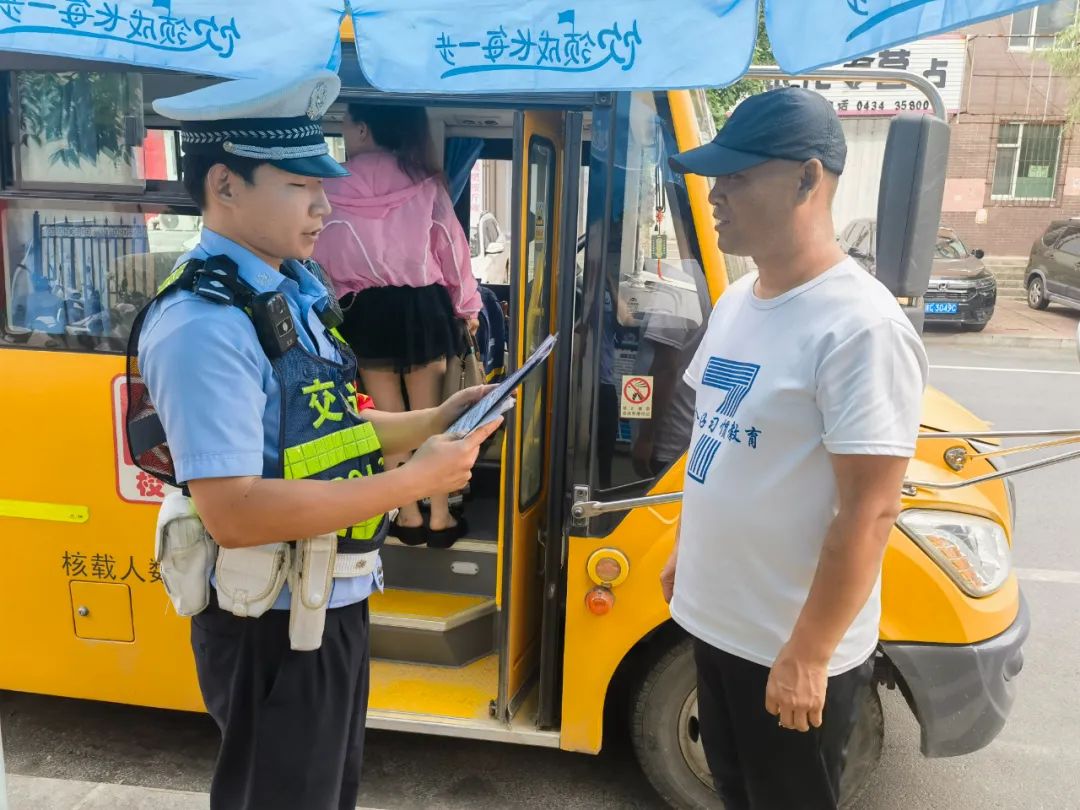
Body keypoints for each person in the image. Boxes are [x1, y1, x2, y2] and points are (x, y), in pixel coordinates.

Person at [132, 70, 500, 810]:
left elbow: (329, 428)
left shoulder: (289, 291)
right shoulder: (204, 322)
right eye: (302, 184)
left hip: (328, 598)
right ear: (226, 186)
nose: (325, 205)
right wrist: (413, 482)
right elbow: (232, 512)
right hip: (270, 620)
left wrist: (433, 421)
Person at [662, 87, 928, 810]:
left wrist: (809, 654)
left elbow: (869, 512)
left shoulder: (858, 327)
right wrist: (689, 548)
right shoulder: (737, 302)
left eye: (738, 178)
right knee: (734, 793)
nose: (715, 194)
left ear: (808, 179)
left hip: (785, 646)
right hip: (718, 624)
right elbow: (715, 443)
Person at [312, 103, 482, 549]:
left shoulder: (328, 185)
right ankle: (441, 517)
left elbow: (320, 260)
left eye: (347, 123)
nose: (344, 130)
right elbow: (451, 249)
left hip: (364, 311)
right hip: (423, 309)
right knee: (433, 419)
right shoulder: (425, 181)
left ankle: (407, 516)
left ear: (364, 128)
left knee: (388, 420)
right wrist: (467, 306)